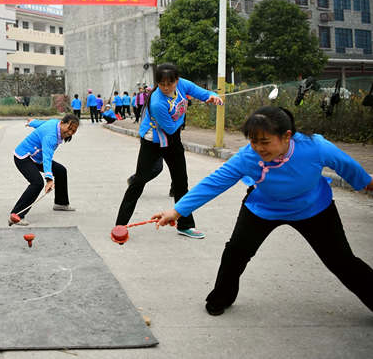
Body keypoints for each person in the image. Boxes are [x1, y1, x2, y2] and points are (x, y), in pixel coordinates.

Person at [152, 106, 373, 316]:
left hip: (313, 208)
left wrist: (366, 183)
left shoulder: (315, 147)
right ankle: (220, 298)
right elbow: (214, 183)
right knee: (235, 253)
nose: (259, 148)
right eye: (254, 141)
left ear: (287, 136)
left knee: (342, 261)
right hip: (263, 208)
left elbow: (349, 167)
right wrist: (177, 211)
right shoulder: (248, 156)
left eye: (265, 142)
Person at [115, 63, 223, 239]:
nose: (166, 87)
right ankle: (120, 225)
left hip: (172, 141)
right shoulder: (157, 102)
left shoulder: (182, 85)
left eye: (170, 83)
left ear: (176, 80)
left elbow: (200, 92)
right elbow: (172, 128)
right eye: (161, 83)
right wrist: (184, 111)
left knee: (181, 182)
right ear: (157, 82)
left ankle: (185, 225)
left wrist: (212, 96)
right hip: (153, 141)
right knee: (139, 182)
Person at [10, 114, 80, 226]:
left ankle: (61, 203)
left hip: (37, 158)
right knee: (37, 183)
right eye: (69, 128)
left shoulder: (55, 122)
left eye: (73, 131)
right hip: (24, 157)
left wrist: (32, 122)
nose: (70, 132)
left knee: (61, 171)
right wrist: (49, 179)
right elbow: (47, 157)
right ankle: (17, 214)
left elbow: (41, 123)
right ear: (62, 123)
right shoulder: (51, 136)